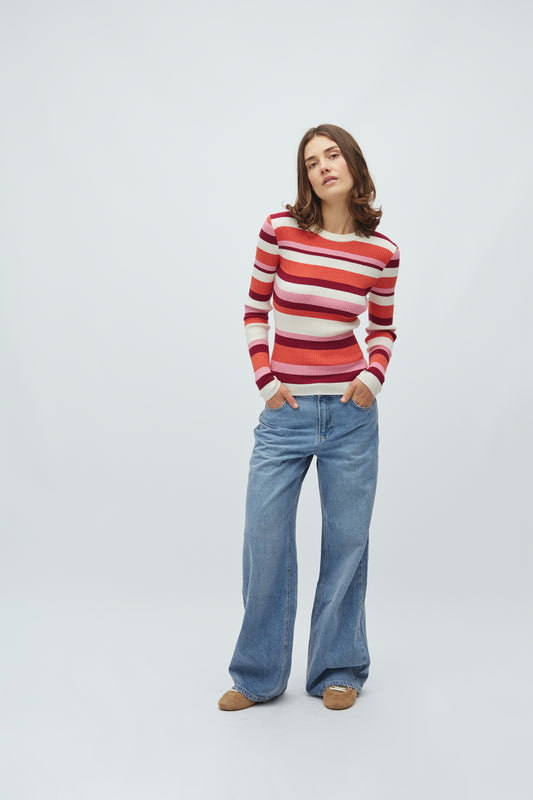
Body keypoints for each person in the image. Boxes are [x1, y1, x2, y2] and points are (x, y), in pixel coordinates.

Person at [218, 123, 400, 711]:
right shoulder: (280, 230)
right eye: (311, 161)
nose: (323, 166)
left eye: (332, 154)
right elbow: (254, 309)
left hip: (351, 416)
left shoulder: (382, 252)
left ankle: (338, 669)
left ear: (353, 164)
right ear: (306, 178)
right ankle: (257, 676)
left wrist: (372, 377)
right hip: (286, 414)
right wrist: (267, 382)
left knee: (347, 543)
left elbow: (383, 328)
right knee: (264, 539)